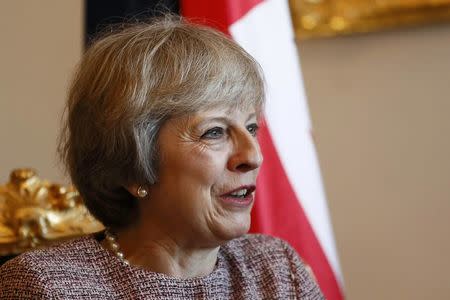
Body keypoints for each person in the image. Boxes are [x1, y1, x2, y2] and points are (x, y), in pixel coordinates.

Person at [0, 17, 324, 299]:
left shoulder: (277, 271)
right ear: (130, 164)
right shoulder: (47, 287)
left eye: (251, 127)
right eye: (214, 132)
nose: (253, 156)